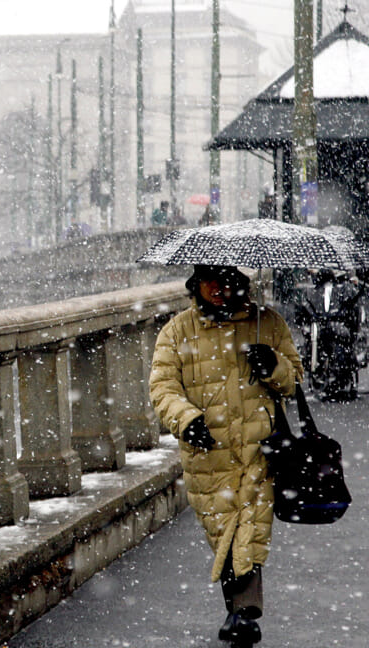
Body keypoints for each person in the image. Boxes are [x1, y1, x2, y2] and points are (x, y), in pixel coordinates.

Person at [148, 264, 302, 646]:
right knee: (225, 533)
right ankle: (238, 609)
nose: (218, 288)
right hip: (208, 455)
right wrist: (186, 420)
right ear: (196, 285)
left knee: (249, 528)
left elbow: (296, 379)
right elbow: (163, 388)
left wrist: (274, 366)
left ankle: (244, 612)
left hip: (259, 451)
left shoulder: (267, 324)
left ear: (240, 282)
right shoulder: (176, 332)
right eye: (209, 281)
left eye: (225, 280)